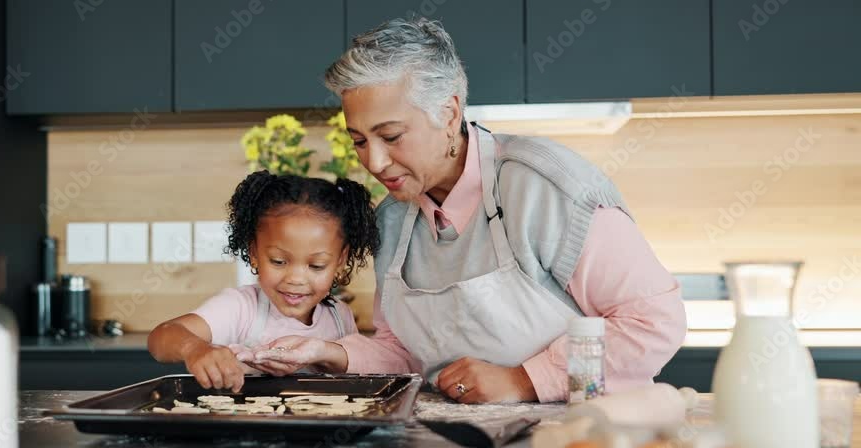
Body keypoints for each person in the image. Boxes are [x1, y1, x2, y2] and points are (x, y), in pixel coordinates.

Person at [248, 17, 687, 404]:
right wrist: (329, 353)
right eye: (360, 141)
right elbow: (402, 353)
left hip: (579, 444)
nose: (374, 162)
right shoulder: (394, 221)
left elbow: (653, 322)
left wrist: (524, 381)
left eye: (392, 136)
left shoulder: (545, 189)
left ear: (449, 111)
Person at [147, 170, 379, 391]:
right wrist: (195, 349)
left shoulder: (341, 317)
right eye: (278, 261)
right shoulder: (240, 307)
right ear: (255, 253)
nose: (296, 279)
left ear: (340, 260)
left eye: (316, 266)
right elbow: (162, 336)